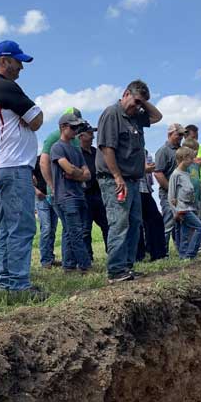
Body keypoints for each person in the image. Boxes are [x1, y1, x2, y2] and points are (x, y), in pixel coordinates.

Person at [0, 40, 44, 297]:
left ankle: (7, 282)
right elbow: (37, 120)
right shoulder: (4, 85)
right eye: (18, 61)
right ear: (5, 61)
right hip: (13, 164)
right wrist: (30, 116)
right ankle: (18, 284)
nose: (21, 67)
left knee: (9, 226)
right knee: (21, 226)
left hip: (5, 164)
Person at [96, 80, 163, 283]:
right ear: (125, 94)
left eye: (140, 104)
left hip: (133, 180)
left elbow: (157, 117)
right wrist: (117, 176)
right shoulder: (112, 114)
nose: (137, 107)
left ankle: (126, 266)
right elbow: (107, 148)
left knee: (135, 223)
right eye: (134, 101)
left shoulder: (137, 115)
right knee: (119, 222)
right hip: (115, 179)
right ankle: (115, 270)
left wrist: (143, 101)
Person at [50, 113, 92, 273]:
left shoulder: (76, 150)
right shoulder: (57, 147)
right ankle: (84, 265)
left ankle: (68, 265)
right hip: (66, 197)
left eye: (77, 127)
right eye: (73, 127)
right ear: (63, 127)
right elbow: (68, 169)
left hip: (78, 195)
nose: (76, 130)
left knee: (70, 231)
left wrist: (76, 174)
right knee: (75, 232)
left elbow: (87, 174)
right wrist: (78, 173)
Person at [78, 125, 109, 260]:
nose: (93, 136)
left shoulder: (96, 152)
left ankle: (112, 252)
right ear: (81, 136)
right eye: (90, 134)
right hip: (84, 194)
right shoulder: (76, 153)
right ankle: (87, 258)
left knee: (107, 224)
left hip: (99, 193)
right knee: (85, 228)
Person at [168, 146, 201, 259]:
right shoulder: (176, 175)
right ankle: (191, 254)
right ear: (184, 158)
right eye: (190, 158)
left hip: (190, 207)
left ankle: (183, 255)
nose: (192, 161)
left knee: (185, 234)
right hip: (183, 209)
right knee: (200, 227)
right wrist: (176, 212)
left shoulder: (186, 173)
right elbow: (171, 195)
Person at [154, 123, 185, 250]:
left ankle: (181, 249)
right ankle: (163, 251)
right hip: (168, 193)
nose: (181, 137)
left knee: (180, 223)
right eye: (179, 134)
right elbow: (158, 173)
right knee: (168, 222)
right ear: (170, 134)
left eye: (182, 134)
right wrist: (171, 191)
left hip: (181, 193)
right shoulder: (163, 151)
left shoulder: (181, 150)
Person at [137, 151, 168, 261]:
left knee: (155, 220)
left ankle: (158, 253)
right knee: (137, 223)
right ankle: (139, 255)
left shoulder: (144, 151)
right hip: (134, 189)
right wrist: (143, 169)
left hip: (145, 188)